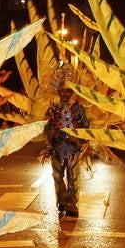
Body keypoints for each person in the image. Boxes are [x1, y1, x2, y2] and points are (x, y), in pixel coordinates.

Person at [44, 73, 88, 217]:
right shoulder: (52, 108)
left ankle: (72, 204)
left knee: (73, 177)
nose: (65, 94)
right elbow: (45, 126)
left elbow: (86, 127)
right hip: (57, 148)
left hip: (73, 148)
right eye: (63, 91)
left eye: (68, 91)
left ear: (72, 92)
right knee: (57, 176)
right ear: (58, 91)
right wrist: (52, 134)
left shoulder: (79, 108)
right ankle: (62, 202)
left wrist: (78, 138)